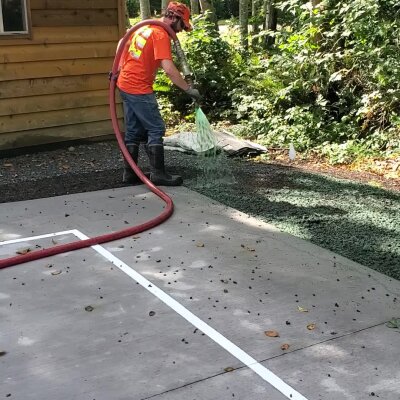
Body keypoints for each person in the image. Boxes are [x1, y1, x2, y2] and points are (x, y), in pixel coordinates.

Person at [117, 2, 201, 186]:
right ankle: (158, 174)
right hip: (138, 87)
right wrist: (188, 90)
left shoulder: (145, 27)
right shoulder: (160, 33)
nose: (180, 31)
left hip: (124, 83)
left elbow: (121, 44)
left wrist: (118, 68)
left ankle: (130, 174)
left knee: (133, 131)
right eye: (182, 26)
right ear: (174, 18)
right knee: (155, 128)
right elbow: (169, 69)